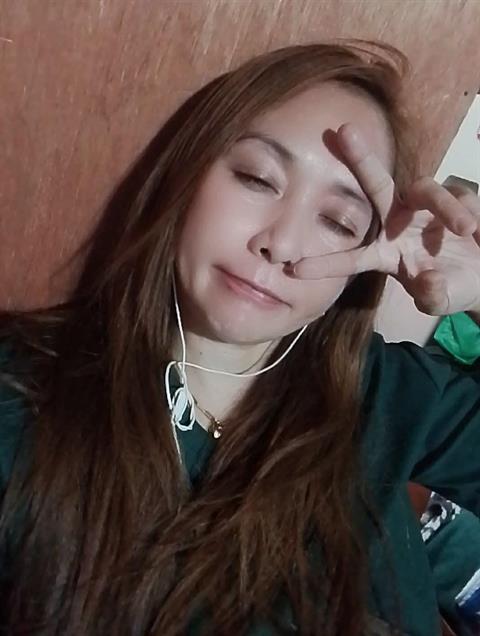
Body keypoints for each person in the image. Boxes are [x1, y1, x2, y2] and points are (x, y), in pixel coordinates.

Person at [0, 41, 479, 636]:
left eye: (338, 221)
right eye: (257, 178)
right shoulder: (21, 399)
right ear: (186, 174)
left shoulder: (385, 393)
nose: (281, 243)